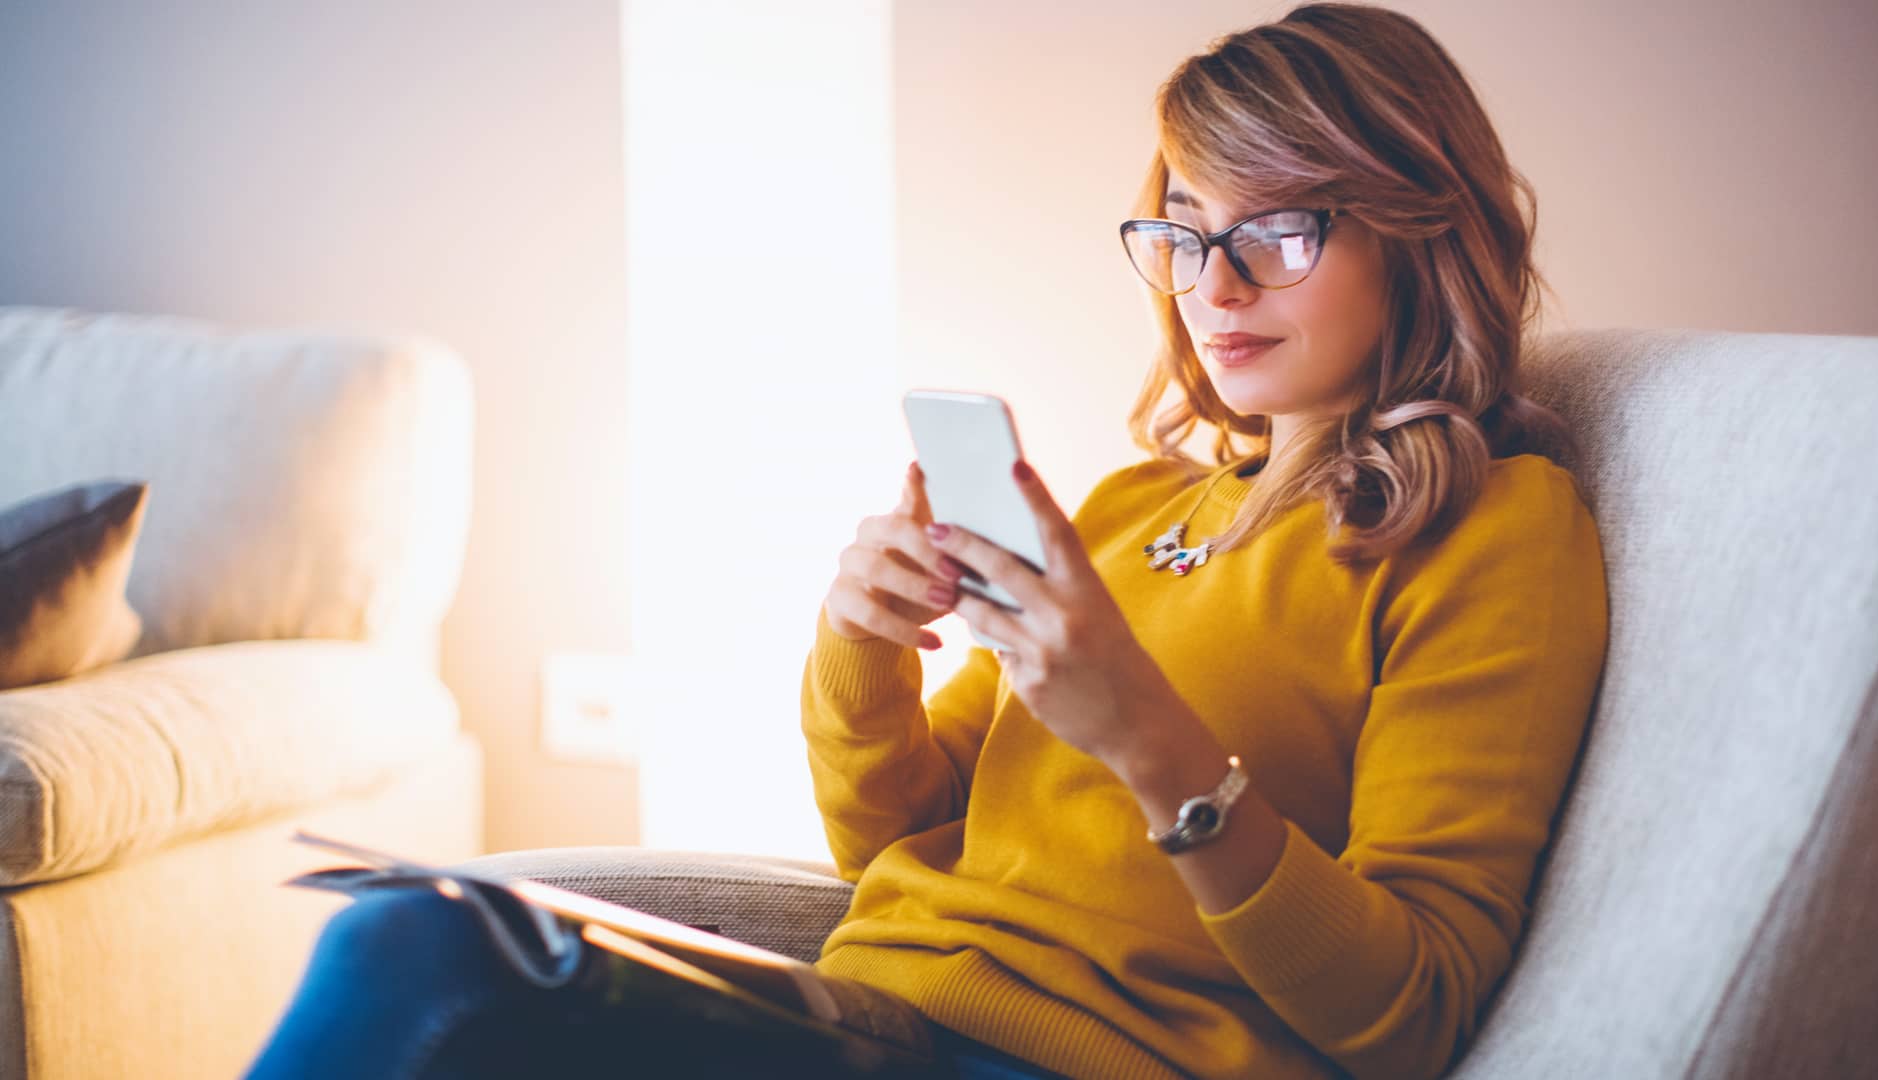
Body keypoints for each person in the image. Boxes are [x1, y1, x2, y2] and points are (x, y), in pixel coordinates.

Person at [242, 4, 1607, 1078]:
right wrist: (862, 646)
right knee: (417, 935)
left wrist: (1145, 737)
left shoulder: (1492, 530)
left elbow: (1414, 1010)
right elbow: (886, 833)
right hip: (877, 1012)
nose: (1216, 286)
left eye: (1281, 229)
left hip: (1059, 1063)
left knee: (420, 958)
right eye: (1184, 232)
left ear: (1421, 228)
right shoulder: (1140, 508)